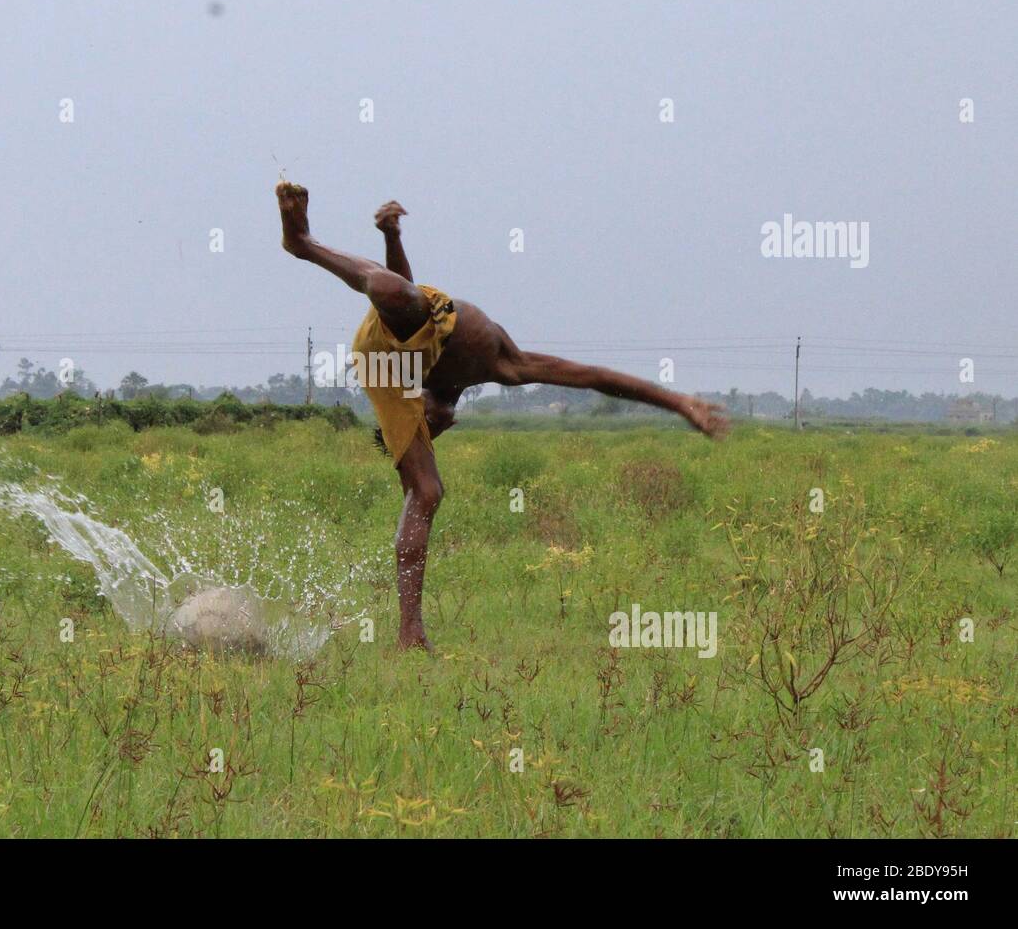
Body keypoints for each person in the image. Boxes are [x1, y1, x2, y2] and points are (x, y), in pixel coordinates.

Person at [276, 182, 729, 651]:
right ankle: (303, 243)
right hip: (386, 356)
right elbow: (592, 376)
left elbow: (590, 376)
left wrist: (393, 237)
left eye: (436, 424)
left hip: (406, 334)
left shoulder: (494, 364)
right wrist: (678, 403)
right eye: (434, 425)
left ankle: (410, 635)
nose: (444, 423)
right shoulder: (478, 369)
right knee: (424, 482)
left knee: (396, 292)